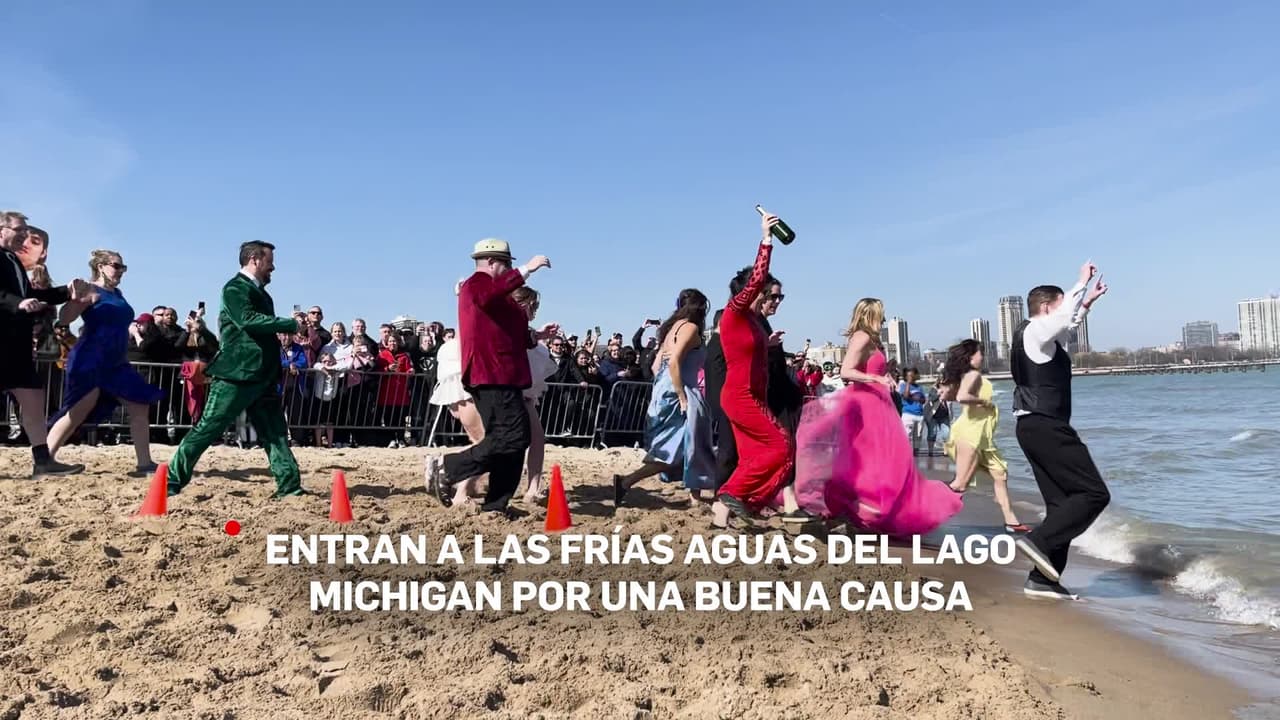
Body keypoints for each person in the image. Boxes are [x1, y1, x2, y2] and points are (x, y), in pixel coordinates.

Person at [793, 298, 961, 535]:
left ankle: (871, 509)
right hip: (864, 404)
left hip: (878, 404)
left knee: (881, 460)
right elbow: (846, 371)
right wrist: (876, 378)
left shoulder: (872, 340)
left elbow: (865, 369)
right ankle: (862, 509)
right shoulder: (861, 336)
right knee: (870, 459)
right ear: (870, 314)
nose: (883, 320)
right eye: (880, 315)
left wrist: (885, 373)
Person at [166, 241, 306, 499]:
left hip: (262, 374)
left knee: (274, 431)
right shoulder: (234, 288)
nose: (273, 267)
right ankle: (171, 480)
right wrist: (290, 324)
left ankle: (289, 486)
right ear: (254, 259)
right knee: (208, 428)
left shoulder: (264, 295)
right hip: (236, 374)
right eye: (269, 261)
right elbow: (248, 320)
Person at [425, 239, 554, 517]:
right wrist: (526, 270)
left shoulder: (500, 299)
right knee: (509, 438)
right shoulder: (476, 285)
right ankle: (448, 467)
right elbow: (491, 294)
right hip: (491, 374)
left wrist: (537, 337)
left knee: (516, 440)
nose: (508, 269)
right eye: (506, 264)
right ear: (492, 262)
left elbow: (515, 335)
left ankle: (496, 504)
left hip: (505, 376)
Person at [1012, 263, 1110, 600]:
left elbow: (1069, 325)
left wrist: (1087, 303)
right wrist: (1080, 282)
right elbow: (1063, 319)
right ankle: (1038, 540)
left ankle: (1042, 580)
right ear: (1045, 308)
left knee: (1061, 505)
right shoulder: (1035, 330)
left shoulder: (1040, 338)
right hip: (1046, 426)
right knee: (1094, 494)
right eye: (1058, 306)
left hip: (1033, 426)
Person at [46, 250, 164, 473]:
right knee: (77, 410)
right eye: (116, 266)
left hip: (116, 361)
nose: (121, 271)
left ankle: (144, 463)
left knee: (140, 404)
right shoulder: (90, 289)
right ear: (101, 266)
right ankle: (45, 458)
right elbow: (65, 319)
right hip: (91, 358)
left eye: (123, 268)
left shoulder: (117, 293)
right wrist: (75, 299)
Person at [713, 212, 790, 529]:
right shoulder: (733, 312)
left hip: (753, 394)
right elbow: (758, 278)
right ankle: (733, 493)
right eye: (763, 291)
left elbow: (746, 352)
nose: (769, 297)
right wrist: (766, 239)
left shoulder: (754, 322)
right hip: (740, 395)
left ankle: (727, 512)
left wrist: (767, 345)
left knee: (760, 457)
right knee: (782, 445)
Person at [612, 289, 714, 508]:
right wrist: (682, 395)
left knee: (687, 444)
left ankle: (694, 497)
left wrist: (667, 385)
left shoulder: (670, 330)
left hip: (666, 388)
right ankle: (627, 481)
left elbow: (656, 365)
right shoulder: (690, 328)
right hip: (682, 390)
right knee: (683, 445)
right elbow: (675, 360)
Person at [1, 224, 88, 477]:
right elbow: (11, 297)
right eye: (17, 229)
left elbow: (32, 294)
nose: (23, 235)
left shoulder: (12, 260)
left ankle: (43, 460)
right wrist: (19, 303)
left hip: (16, 344)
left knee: (33, 399)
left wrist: (66, 291)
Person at [941, 340, 1028, 534]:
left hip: (981, 437)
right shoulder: (972, 375)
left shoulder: (968, 376)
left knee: (1000, 474)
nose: (982, 357)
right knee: (959, 484)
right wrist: (983, 402)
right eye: (980, 353)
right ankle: (924, 509)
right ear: (971, 357)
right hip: (970, 435)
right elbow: (962, 397)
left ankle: (1011, 521)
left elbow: (951, 396)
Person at [512, 286, 558, 504]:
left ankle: (533, 488)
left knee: (536, 438)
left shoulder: (528, 335)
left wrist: (540, 334)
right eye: (534, 305)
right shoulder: (511, 327)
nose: (536, 309)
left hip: (522, 393)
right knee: (492, 442)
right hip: (508, 391)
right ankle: (450, 471)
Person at [897, 368, 927, 454]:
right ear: (906, 377)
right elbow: (906, 396)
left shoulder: (919, 387)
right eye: (909, 376)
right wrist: (908, 384)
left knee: (918, 435)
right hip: (908, 413)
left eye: (912, 375)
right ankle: (908, 453)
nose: (911, 377)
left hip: (919, 414)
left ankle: (916, 452)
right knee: (907, 435)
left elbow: (923, 400)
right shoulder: (903, 386)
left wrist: (919, 398)